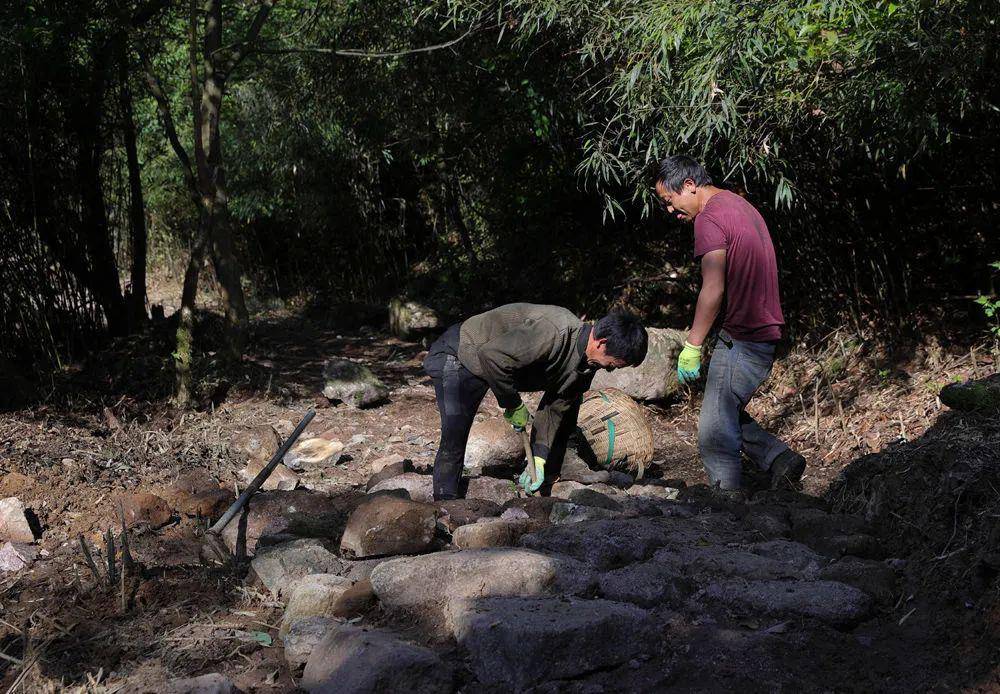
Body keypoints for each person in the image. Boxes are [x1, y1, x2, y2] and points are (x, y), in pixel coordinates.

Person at [654, 155, 806, 495]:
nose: (670, 211)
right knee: (723, 410)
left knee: (713, 431)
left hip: (743, 336)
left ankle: (728, 503)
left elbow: (714, 286)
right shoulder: (739, 204)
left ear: (689, 185)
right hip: (766, 332)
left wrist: (693, 344)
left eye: (670, 201)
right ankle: (778, 457)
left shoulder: (708, 218)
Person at [423, 303, 648, 500]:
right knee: (455, 433)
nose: (609, 370)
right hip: (462, 351)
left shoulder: (587, 364)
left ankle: (550, 474)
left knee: (571, 402)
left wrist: (539, 456)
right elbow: (492, 356)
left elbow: (556, 409)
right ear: (602, 343)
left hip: (497, 362)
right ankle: (445, 503)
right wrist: (513, 404)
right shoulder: (554, 332)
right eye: (613, 364)